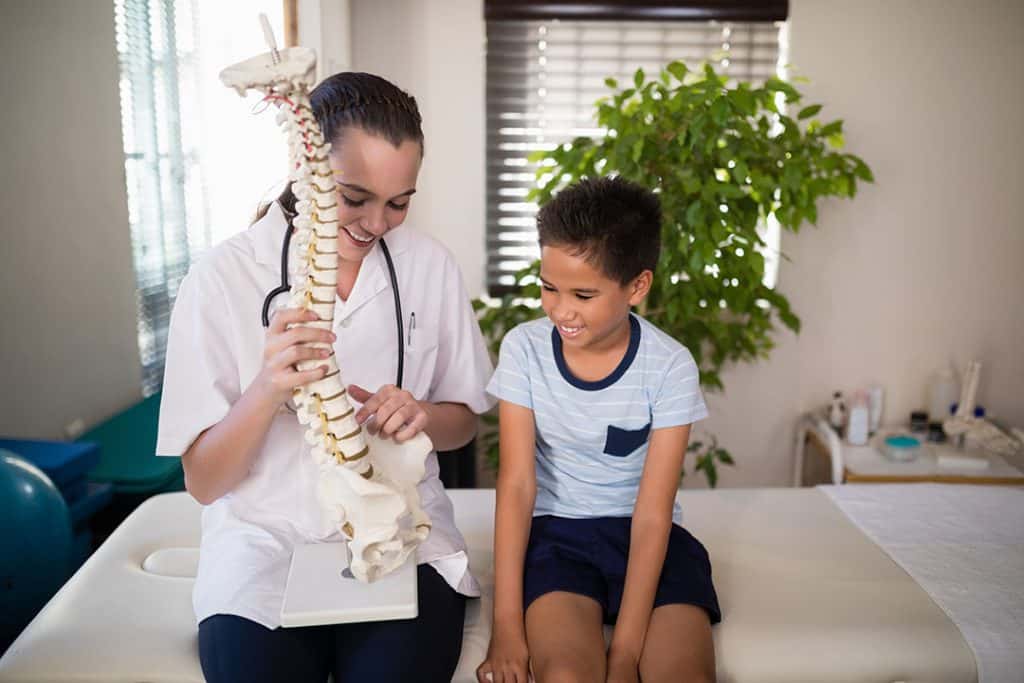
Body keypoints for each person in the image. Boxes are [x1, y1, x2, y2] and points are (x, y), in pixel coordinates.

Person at [156, 72, 494, 683]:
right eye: (354, 197)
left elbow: (462, 423)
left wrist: (421, 414)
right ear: (304, 163)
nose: (377, 224)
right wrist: (266, 391)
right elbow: (204, 482)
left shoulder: (429, 267)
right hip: (262, 546)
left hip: (402, 534)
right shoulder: (220, 278)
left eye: (400, 202)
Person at [477, 177, 721, 683]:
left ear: (637, 286)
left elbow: (653, 514)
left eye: (583, 294)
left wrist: (626, 654)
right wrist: (506, 628)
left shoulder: (670, 366)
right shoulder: (524, 350)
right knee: (566, 675)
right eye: (549, 287)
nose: (561, 310)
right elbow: (518, 484)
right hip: (559, 540)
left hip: (648, 538)